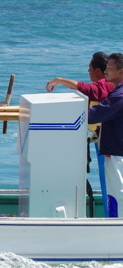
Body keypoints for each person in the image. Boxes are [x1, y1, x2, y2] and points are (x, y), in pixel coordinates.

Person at [48, 52, 116, 208]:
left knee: (109, 182)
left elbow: (82, 87)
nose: (88, 71)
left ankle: (112, 218)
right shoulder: (111, 84)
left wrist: (58, 80)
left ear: (98, 71)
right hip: (107, 139)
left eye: (90, 68)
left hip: (108, 142)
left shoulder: (104, 85)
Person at [88, 53, 123, 217]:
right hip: (116, 152)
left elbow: (95, 114)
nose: (106, 71)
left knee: (117, 195)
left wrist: (66, 113)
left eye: (109, 68)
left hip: (118, 155)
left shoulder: (119, 96)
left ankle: (118, 231)